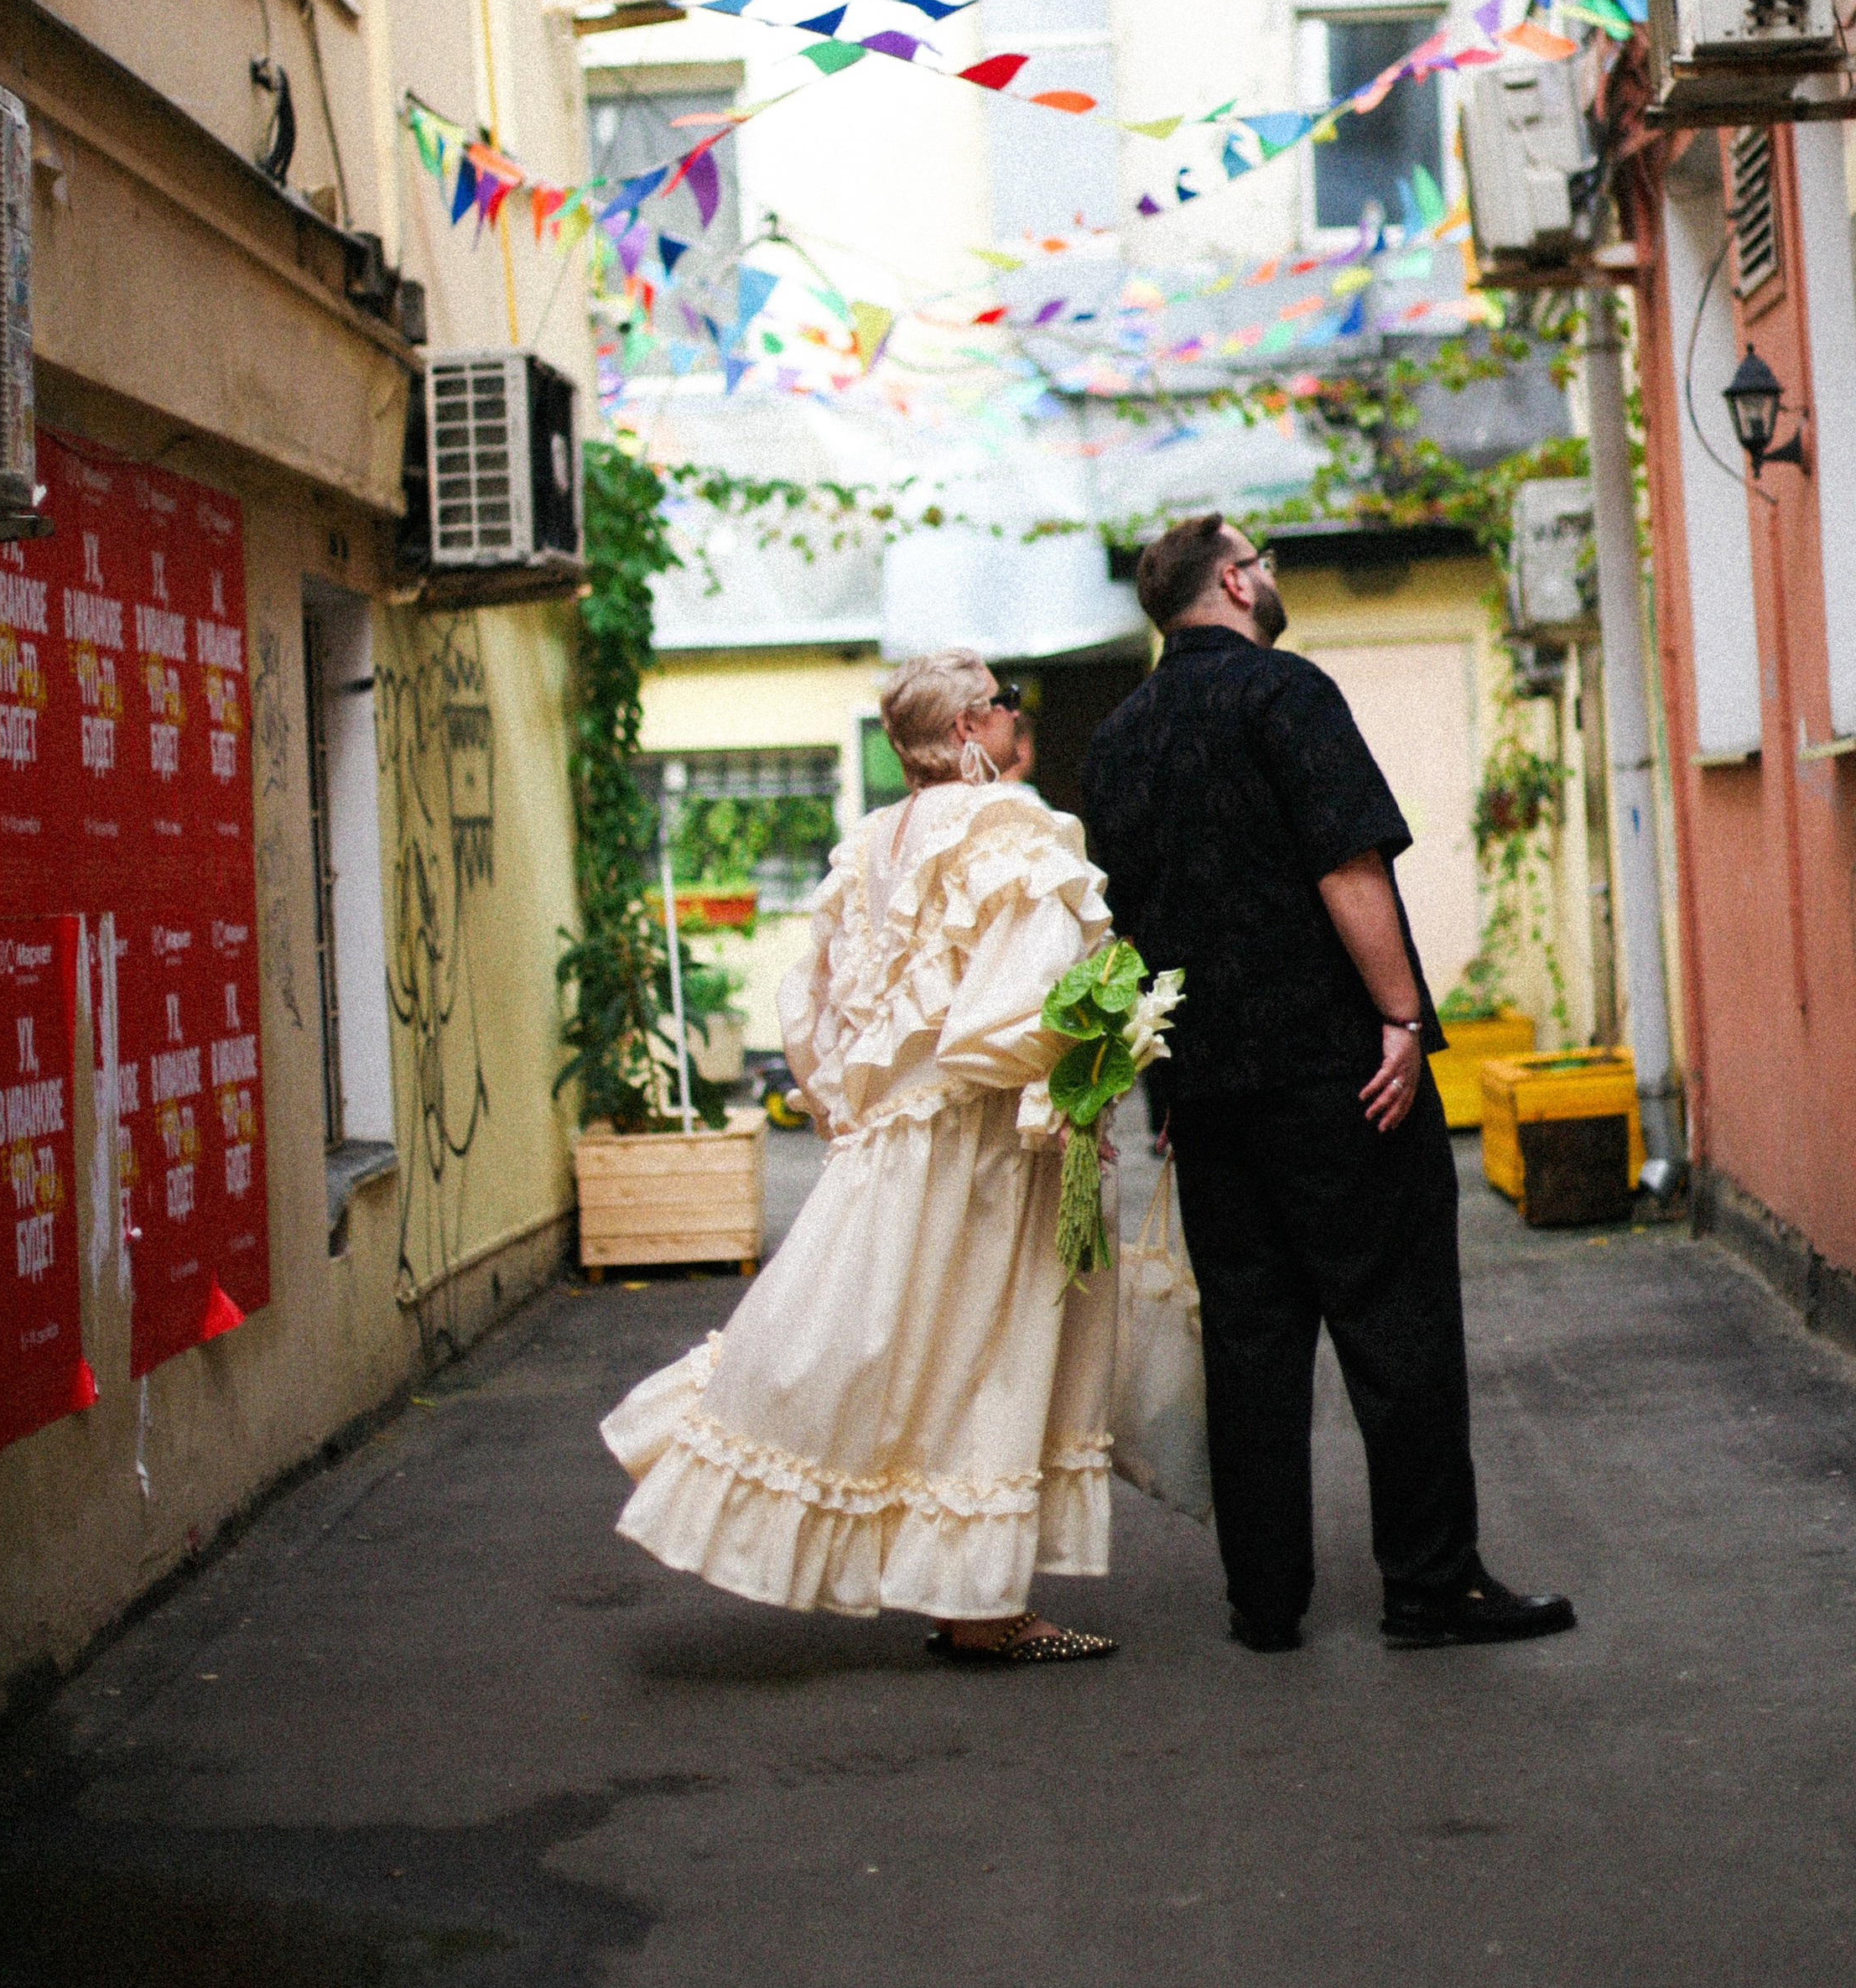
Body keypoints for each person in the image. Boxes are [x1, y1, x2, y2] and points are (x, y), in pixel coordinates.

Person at [1080, 514, 1576, 1656]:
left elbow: (1123, 927)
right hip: (1336, 1077)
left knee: (1248, 1345)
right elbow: (1346, 866)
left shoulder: (1117, 739)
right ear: (1234, 582)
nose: (1270, 578)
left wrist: (1154, 1085)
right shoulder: (1283, 693)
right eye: (1261, 562)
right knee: (1397, 1329)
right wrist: (1401, 1017)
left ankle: (1264, 1602)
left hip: (1205, 1090)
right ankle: (1430, 1587)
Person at [601, 650, 1119, 1668]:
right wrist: (1082, 1075)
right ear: (968, 727)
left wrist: (856, 1105)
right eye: (1004, 704)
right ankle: (977, 1605)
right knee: (983, 1354)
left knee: (881, 1340)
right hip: (980, 1142)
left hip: (893, 1140)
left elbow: (812, 1005)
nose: (1015, 718)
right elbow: (1027, 999)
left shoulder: (871, 846)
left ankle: (967, 1594)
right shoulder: (1008, 825)